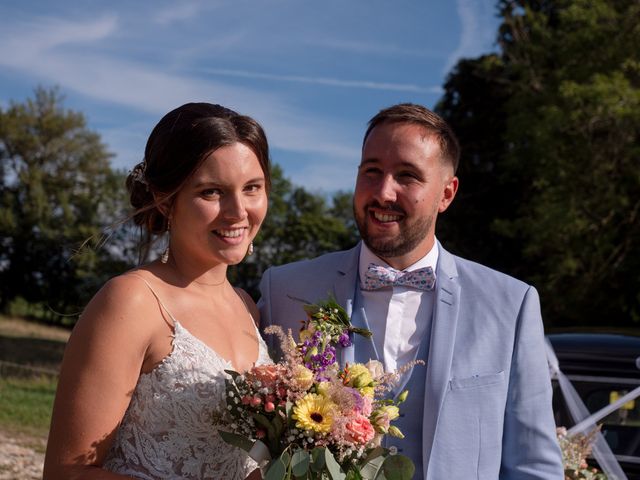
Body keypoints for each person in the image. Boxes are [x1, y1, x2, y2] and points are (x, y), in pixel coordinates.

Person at [258, 103, 564, 479]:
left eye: (407, 176)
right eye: (372, 171)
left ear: (446, 194)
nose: (384, 193)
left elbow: (534, 468)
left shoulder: (510, 306)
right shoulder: (285, 291)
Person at [44, 103, 271, 479]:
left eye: (252, 188)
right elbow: (65, 472)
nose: (237, 211)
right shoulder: (133, 301)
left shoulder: (249, 307)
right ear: (166, 199)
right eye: (212, 192)